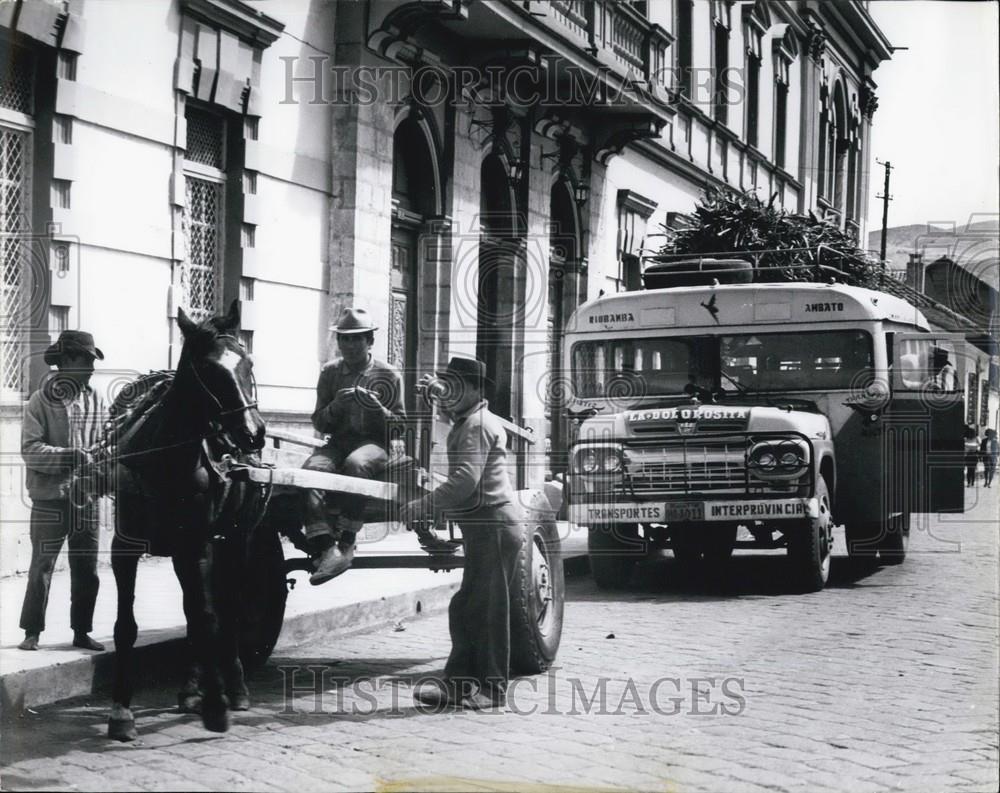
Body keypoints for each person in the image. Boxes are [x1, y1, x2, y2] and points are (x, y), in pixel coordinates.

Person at [400, 357, 522, 710]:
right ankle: (457, 684)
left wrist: (424, 504)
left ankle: (493, 690)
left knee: (488, 611)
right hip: (485, 526)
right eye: (446, 387)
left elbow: (466, 481)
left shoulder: (476, 425)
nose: (448, 394)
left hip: (493, 525)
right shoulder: (471, 418)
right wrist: (438, 391)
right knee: (467, 607)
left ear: (474, 390)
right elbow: (451, 400)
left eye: (455, 387)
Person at [18, 331, 107, 652]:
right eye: (86, 360)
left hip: (87, 499)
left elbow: (105, 443)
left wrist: (103, 462)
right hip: (49, 498)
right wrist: (70, 456)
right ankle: (32, 632)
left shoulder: (97, 399)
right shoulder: (40, 400)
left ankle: (81, 631)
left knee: (87, 569)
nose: (92, 368)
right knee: (42, 566)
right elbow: (30, 449)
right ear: (67, 361)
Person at [305, 308, 405, 585]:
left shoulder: (388, 374)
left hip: (375, 445)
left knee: (356, 465)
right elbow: (319, 421)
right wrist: (336, 407)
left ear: (369, 341)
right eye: (344, 339)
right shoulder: (330, 373)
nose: (349, 345)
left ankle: (347, 540)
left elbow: (400, 427)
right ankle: (327, 547)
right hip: (337, 443)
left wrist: (378, 409)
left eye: (356, 339)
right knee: (310, 472)